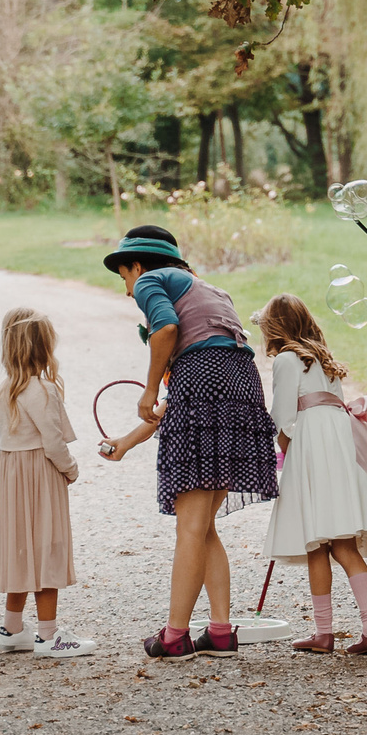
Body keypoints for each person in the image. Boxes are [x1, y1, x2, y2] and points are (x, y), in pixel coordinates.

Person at [101, 225, 279, 658]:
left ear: (138, 265)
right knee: (204, 527)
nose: (129, 291)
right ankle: (220, 632)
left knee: (190, 527)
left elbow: (164, 330)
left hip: (205, 383)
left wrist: (146, 390)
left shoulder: (150, 280)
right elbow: (178, 403)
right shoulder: (210, 290)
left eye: (124, 277)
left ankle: (174, 635)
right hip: (242, 387)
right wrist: (126, 441)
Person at [256, 292, 367, 654]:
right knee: (340, 542)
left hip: (313, 449)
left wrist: (276, 446)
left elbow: (282, 416)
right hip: (338, 446)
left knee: (318, 543)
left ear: (274, 328)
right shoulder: (321, 358)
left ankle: (329, 632)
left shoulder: (286, 360)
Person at [0, 308, 96, 659]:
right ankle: (48, 636)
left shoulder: (4, 391)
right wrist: (71, 469)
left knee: (21, 549)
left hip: (13, 475)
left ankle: (11, 628)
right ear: (43, 348)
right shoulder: (42, 389)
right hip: (39, 475)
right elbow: (52, 442)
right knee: (48, 546)